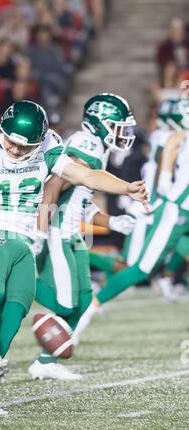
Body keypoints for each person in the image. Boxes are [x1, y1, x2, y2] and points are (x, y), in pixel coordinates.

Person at [0, 100, 148, 416]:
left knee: (15, 312)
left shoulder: (48, 148)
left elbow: (87, 176)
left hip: (24, 239)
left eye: (24, 146)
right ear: (2, 130)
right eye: (11, 142)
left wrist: (126, 189)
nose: (14, 150)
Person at [29, 93, 137, 380]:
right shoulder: (85, 144)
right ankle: (16, 285)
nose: (123, 133)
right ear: (99, 123)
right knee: (65, 303)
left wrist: (112, 221)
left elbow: (82, 202)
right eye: (118, 126)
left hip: (73, 233)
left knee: (85, 301)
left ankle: (44, 362)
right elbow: (52, 187)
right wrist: (39, 230)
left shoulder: (98, 149)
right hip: (58, 231)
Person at [72, 98, 189, 345]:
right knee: (137, 269)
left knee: (131, 265)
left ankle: (167, 279)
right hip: (174, 209)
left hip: (170, 207)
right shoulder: (174, 136)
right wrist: (165, 182)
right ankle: (87, 312)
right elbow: (173, 142)